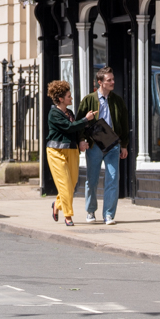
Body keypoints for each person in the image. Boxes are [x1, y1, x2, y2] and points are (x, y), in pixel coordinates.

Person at [78, 67, 130, 225]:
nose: (113, 82)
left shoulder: (117, 100)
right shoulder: (89, 100)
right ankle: (90, 211)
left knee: (113, 179)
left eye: (113, 79)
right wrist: (81, 139)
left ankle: (108, 214)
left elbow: (124, 123)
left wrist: (124, 145)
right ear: (100, 82)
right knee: (92, 180)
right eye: (109, 80)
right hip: (94, 145)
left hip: (113, 145)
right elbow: (79, 122)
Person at [46, 81, 96, 227]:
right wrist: (86, 119)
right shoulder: (54, 113)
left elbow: (77, 131)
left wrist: (81, 140)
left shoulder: (70, 113)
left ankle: (57, 203)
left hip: (72, 151)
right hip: (56, 152)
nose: (71, 98)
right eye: (68, 96)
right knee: (65, 184)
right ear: (61, 99)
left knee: (72, 183)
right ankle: (68, 216)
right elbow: (69, 127)